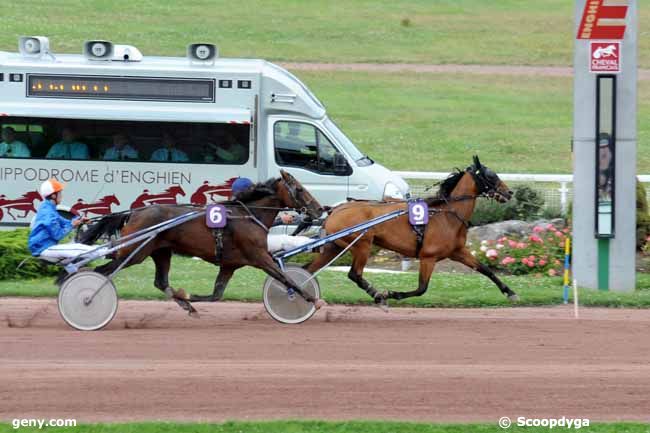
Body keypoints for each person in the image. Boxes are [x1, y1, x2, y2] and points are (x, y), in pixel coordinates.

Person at [28, 179, 107, 262]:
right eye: (60, 193)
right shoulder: (48, 212)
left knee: (79, 248)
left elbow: (64, 221)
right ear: (53, 196)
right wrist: (72, 225)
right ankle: (107, 252)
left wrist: (80, 220)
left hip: (46, 246)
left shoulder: (48, 207)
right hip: (44, 248)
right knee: (78, 248)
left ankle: (105, 250)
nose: (62, 196)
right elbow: (58, 235)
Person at [230, 177, 313, 253]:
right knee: (286, 240)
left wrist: (281, 220)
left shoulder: (236, 206)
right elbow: (255, 226)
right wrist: (281, 220)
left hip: (243, 242)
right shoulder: (244, 208)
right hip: (250, 244)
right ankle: (320, 246)